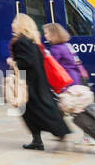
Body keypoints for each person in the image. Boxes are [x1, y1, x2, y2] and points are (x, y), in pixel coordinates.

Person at [8, 14, 71, 150]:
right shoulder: (33, 41)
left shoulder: (20, 42)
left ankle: (44, 137)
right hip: (38, 81)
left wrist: (12, 62)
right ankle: (53, 133)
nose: (12, 24)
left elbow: (26, 62)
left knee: (30, 112)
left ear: (21, 25)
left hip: (28, 83)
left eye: (14, 21)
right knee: (42, 109)